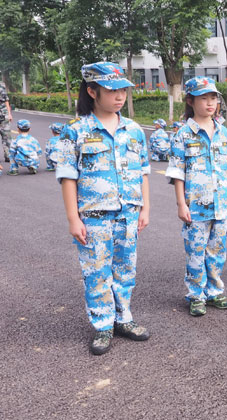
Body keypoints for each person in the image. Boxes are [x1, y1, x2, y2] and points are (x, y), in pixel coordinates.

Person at [55, 61, 151, 355]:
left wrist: (146, 208)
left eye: (123, 90)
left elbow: (143, 171)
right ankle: (103, 325)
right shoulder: (76, 130)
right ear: (92, 91)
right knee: (97, 272)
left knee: (125, 269)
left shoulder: (134, 130)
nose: (120, 96)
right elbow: (68, 177)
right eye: (112, 90)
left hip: (128, 214)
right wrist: (74, 218)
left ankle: (124, 318)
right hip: (94, 216)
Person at [166, 76, 227, 316]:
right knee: (195, 251)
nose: (210, 103)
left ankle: (214, 291)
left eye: (213, 98)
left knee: (217, 250)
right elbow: (178, 171)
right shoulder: (184, 134)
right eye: (204, 98)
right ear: (190, 101)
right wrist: (181, 203)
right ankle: (196, 295)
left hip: (220, 203)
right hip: (196, 206)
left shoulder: (222, 133)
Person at [0, 80, 12, 162]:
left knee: (7, 136)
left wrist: (9, 113)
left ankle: (8, 155)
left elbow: (6, 100)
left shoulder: (1, 85)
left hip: (3, 114)